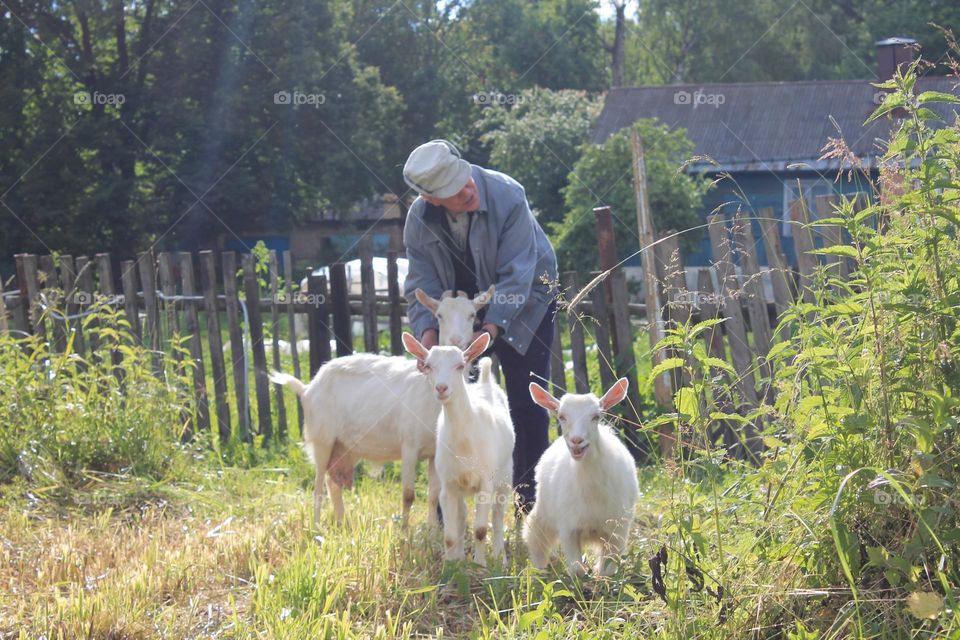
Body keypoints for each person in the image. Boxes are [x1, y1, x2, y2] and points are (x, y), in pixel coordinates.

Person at [402, 139, 558, 514]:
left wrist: (489, 331)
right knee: (453, 404)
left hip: (527, 303)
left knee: (527, 403)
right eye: (456, 190)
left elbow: (518, 275)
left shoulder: (508, 195)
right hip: (460, 315)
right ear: (432, 200)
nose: (469, 188)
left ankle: (528, 505)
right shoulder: (418, 221)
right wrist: (429, 340)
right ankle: (449, 508)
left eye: (466, 177)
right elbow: (419, 283)